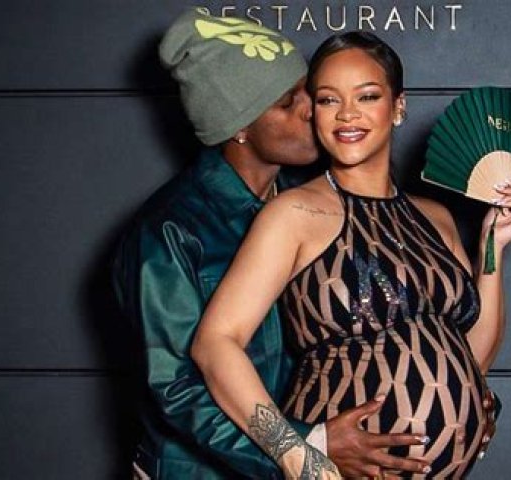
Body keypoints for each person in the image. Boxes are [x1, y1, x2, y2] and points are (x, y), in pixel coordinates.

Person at [193, 31, 511, 478]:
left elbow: (474, 359)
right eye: (328, 100)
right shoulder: (294, 214)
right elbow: (215, 342)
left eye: (367, 96)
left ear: (398, 106)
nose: (347, 114)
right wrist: (297, 454)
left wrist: (493, 247)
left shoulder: (437, 218)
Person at [113, 11, 432, 480]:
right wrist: (305, 446)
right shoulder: (167, 232)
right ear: (239, 126)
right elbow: (177, 389)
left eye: (309, 92)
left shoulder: (314, 203)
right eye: (287, 103)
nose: (312, 110)